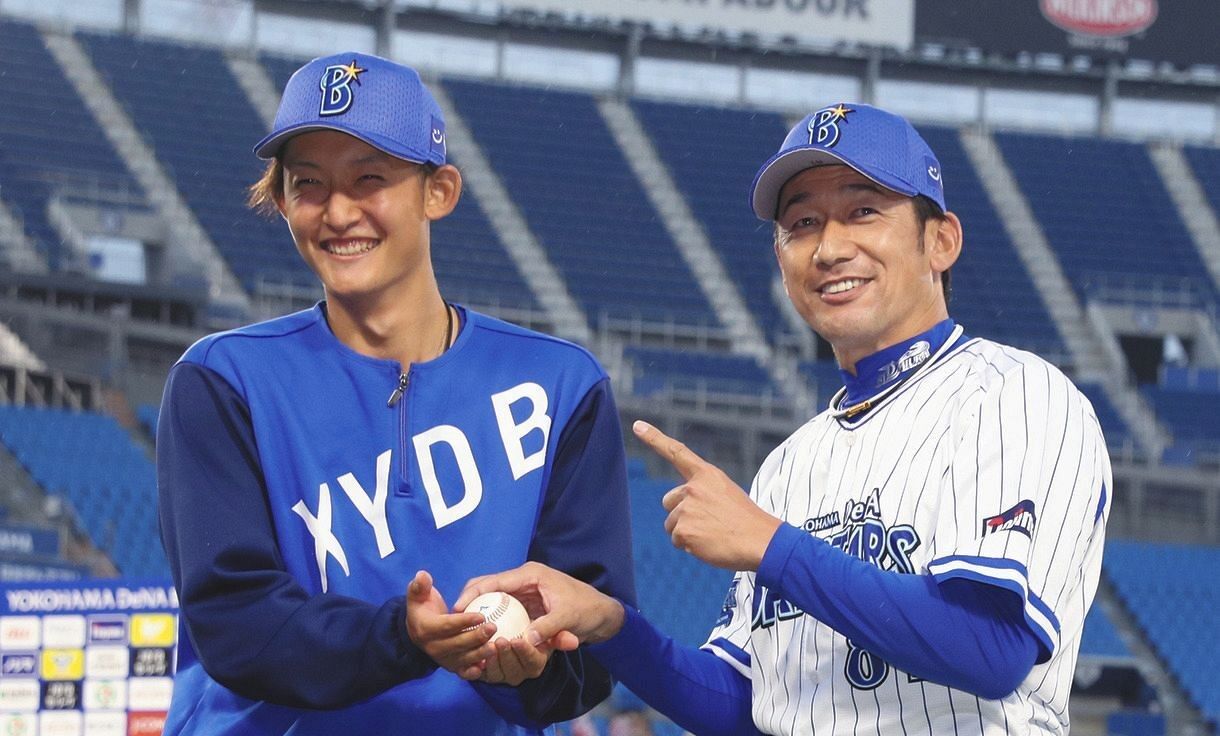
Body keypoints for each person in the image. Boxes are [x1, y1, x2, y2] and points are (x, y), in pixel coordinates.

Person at [458, 103, 1111, 735]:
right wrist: (611, 626)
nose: (829, 247)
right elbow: (745, 708)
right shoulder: (789, 467)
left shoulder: (1014, 395)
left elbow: (990, 649)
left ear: (940, 241)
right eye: (802, 223)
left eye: (863, 211)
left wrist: (771, 544)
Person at [156, 51, 635, 735]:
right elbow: (236, 621)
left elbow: (594, 645)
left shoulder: (560, 386)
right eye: (308, 184)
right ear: (282, 200)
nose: (338, 211)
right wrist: (402, 638)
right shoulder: (223, 380)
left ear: (438, 192)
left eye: (369, 179)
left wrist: (528, 665)